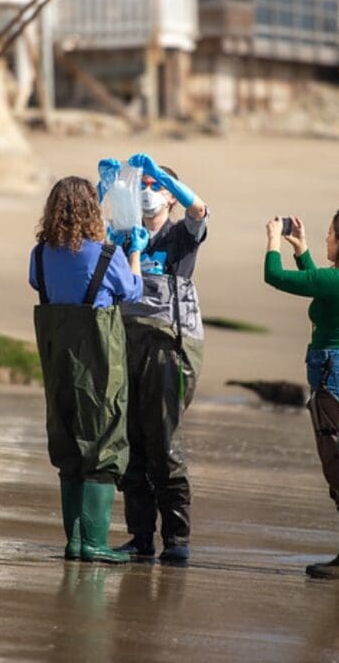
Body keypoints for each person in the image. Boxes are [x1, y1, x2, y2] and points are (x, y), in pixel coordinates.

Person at [29, 176, 146, 563]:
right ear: (91, 211)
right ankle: (94, 542)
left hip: (57, 360)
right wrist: (134, 255)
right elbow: (131, 292)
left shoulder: (39, 254)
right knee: (104, 441)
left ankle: (75, 540)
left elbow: (36, 283)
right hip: (98, 360)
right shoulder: (106, 254)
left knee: (66, 442)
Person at [264, 209, 339, 580]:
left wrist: (271, 241)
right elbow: (320, 283)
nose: (327, 239)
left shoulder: (338, 281)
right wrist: (301, 251)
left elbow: (274, 277)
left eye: (331, 234)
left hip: (337, 376)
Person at [113, 154, 209, 563]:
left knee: (164, 442)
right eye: (144, 188)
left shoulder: (181, 237)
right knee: (131, 441)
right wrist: (113, 190)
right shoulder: (126, 235)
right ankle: (139, 536)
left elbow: (199, 209)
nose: (149, 195)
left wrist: (160, 174)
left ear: (170, 199)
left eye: (157, 189)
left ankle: (176, 538)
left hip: (171, 346)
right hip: (128, 343)